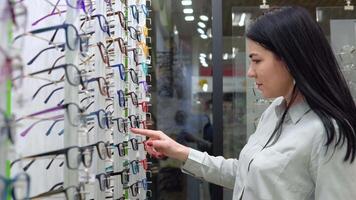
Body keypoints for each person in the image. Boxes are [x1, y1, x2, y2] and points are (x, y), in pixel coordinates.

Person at [131, 6, 356, 200]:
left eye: (257, 60)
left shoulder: (329, 134)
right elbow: (245, 172)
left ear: (291, 59)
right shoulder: (274, 113)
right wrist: (179, 151)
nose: (250, 72)